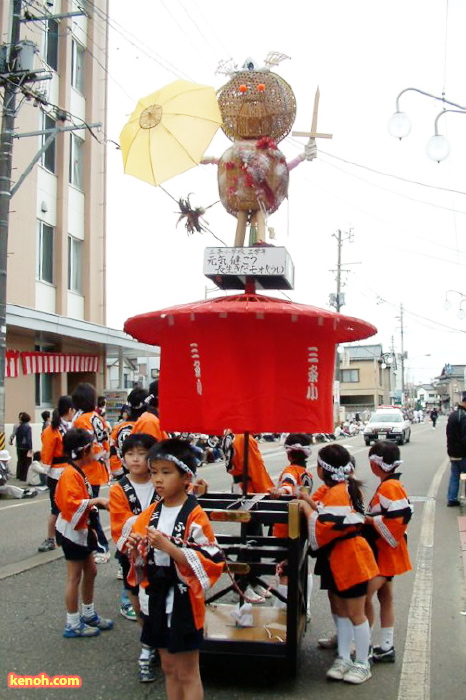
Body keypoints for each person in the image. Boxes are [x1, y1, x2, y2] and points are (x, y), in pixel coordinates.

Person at [126, 438, 224, 700]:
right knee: (169, 668)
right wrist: (136, 547)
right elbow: (137, 558)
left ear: (186, 477)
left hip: (183, 599)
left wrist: (170, 549)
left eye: (166, 473)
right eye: (154, 472)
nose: (158, 479)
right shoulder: (150, 513)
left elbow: (212, 558)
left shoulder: (194, 514)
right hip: (157, 596)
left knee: (188, 671)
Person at [299, 444, 378, 685]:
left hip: (349, 557)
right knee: (343, 612)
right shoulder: (345, 488)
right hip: (343, 557)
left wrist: (305, 509)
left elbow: (325, 527)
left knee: (355, 613)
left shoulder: (337, 492)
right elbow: (329, 515)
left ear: (325, 470)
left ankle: (363, 662)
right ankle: (344, 657)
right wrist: (310, 505)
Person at [54, 428, 114, 638]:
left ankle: (88, 613)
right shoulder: (70, 473)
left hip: (79, 530)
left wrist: (95, 505)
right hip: (72, 532)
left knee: (91, 571)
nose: (95, 451)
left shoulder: (75, 470)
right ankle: (72, 622)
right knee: (74, 577)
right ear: (84, 450)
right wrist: (96, 501)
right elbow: (71, 505)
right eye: (92, 447)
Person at [109, 433, 158, 682]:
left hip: (159, 553)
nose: (136, 459)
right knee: (138, 604)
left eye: (142, 453)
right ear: (123, 458)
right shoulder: (119, 488)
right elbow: (121, 524)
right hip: (131, 553)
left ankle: (150, 647)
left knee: (157, 600)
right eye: (130, 454)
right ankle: (147, 639)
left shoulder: (160, 480)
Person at [364, 441, 413, 663]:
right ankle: (386, 645)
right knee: (386, 597)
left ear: (377, 465)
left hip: (385, 551)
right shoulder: (391, 484)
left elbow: (400, 519)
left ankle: (362, 643)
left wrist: (368, 520)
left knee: (363, 597)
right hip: (387, 549)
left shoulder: (389, 487)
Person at [222, 430, 274, 602]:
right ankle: (242, 584)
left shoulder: (230, 434)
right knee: (250, 539)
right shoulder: (244, 437)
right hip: (249, 490)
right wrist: (267, 492)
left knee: (254, 536)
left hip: (240, 486)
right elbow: (256, 467)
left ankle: (252, 579)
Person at [269, 433, 313, 612]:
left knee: (285, 570)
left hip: (286, 528)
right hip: (303, 524)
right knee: (303, 566)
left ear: (289, 454)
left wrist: (279, 491)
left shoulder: (290, 471)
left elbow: (287, 486)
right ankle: (305, 607)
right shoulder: (307, 473)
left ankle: (280, 610)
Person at [72, 383, 111, 562]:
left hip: (87, 470)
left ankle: (102, 546)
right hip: (97, 469)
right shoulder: (97, 417)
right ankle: (93, 544)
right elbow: (105, 443)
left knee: (90, 509)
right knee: (89, 509)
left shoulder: (82, 420)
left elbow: (87, 446)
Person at [38, 395, 75, 552]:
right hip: (56, 471)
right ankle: (50, 538)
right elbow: (47, 452)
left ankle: (71, 537)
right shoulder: (51, 430)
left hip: (71, 470)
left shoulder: (69, 427)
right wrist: (45, 470)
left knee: (72, 505)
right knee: (56, 508)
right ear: (70, 410)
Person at [109, 388, 149, 480]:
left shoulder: (118, 428)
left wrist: (119, 473)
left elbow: (112, 452)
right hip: (146, 474)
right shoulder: (148, 425)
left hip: (124, 475)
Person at [446, 392, 466, 506]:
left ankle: (452, 498)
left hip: (453, 452)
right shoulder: (463, 416)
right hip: (462, 453)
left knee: (455, 475)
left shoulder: (453, 415)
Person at [14, 412, 33, 481]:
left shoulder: (19, 427)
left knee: (20, 461)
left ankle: (20, 476)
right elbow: (29, 438)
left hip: (19, 446)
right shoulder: (28, 427)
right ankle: (25, 477)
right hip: (26, 447)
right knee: (27, 462)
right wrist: (30, 447)